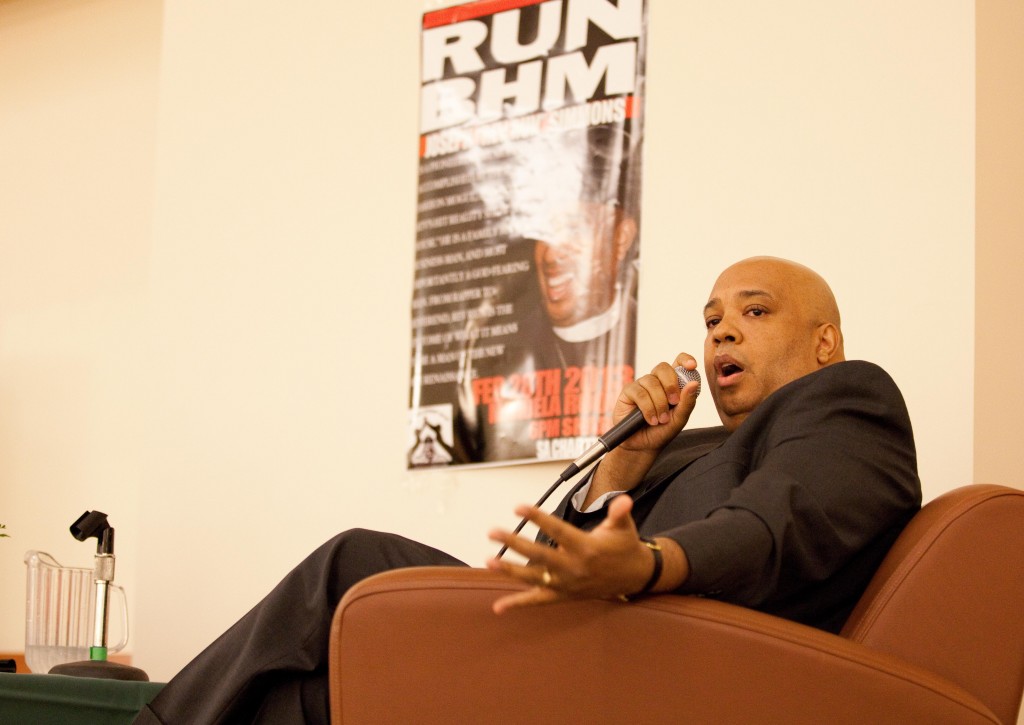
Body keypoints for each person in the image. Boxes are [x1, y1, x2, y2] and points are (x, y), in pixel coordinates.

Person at [134, 256, 921, 724]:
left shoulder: (846, 399)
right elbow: (552, 560)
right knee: (299, 699)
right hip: (593, 648)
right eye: (712, 317)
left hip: (674, 677)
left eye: (755, 310)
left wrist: (654, 562)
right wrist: (623, 464)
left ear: (825, 341)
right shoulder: (688, 444)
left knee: (354, 563)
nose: (722, 329)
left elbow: (781, 519)